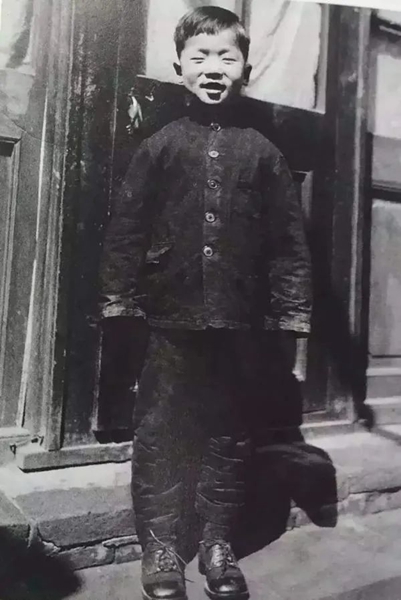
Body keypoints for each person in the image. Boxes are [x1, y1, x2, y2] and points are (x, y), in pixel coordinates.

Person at [99, 6, 312, 600]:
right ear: (179, 68)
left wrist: (288, 315)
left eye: (227, 57)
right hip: (168, 320)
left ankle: (218, 543)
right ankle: (161, 546)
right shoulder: (160, 147)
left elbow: (288, 244)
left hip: (238, 323)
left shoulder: (263, 154)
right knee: (160, 431)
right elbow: (125, 232)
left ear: (246, 70)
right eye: (200, 57)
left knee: (229, 432)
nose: (213, 68)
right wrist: (120, 303)